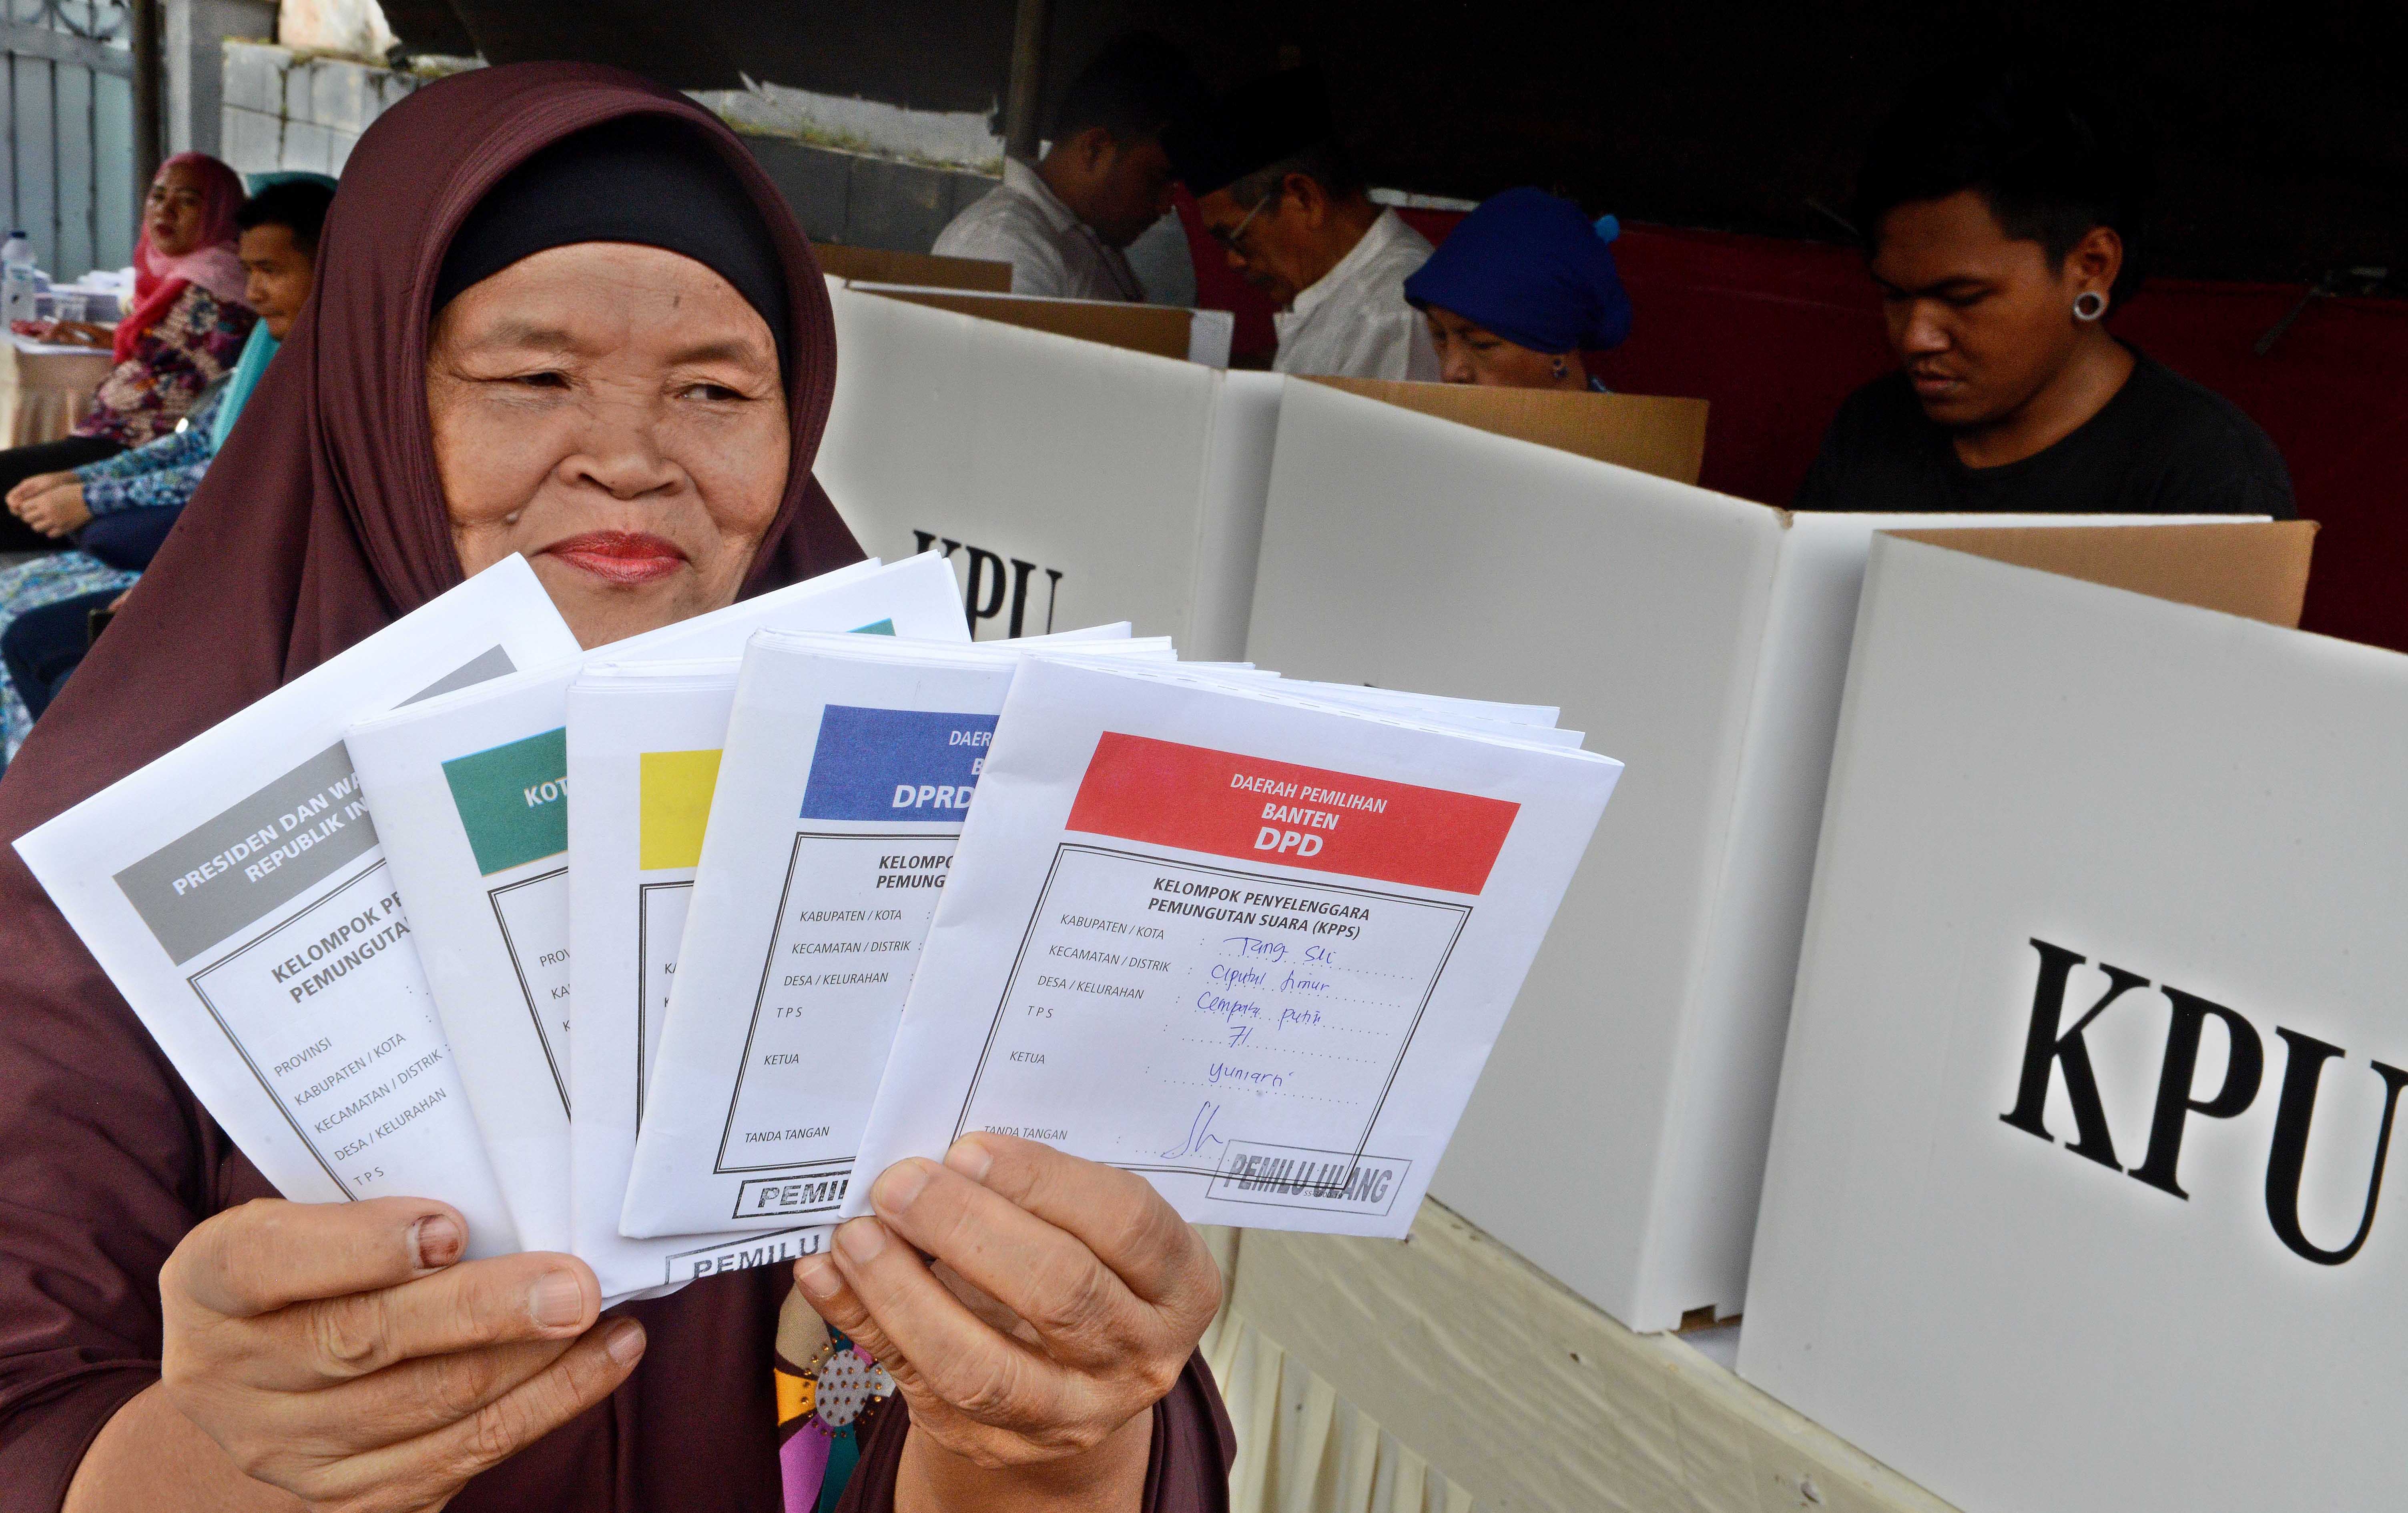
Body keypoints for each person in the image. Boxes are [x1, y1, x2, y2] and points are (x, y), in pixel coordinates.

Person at [0, 64, 1230, 1513]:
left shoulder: (938, 805)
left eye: (714, 387)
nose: (633, 462)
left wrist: (1056, 1425)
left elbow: (1019, 1410)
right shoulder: (107, 845)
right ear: (375, 402)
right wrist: (221, 1454)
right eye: (532, 378)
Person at [1794, 66, 2292, 516]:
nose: (1915, 339)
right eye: (1895, 296)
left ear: (2091, 266)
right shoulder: (1870, 428)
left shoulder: (2206, 478)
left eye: (1964, 297)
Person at [0, 177, 334, 753]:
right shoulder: (270, 351)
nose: (253, 291)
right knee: (23, 607)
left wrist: (93, 498)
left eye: (271, 272)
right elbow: (196, 444)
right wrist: (81, 481)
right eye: (249, 270)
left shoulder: (335, 373)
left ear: (330, 265)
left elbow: (240, 483)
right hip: (199, 531)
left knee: (41, 631)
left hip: (253, 576)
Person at [0, 153, 255, 552]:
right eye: (157, 197)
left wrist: (87, 485)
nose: (164, 210)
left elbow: (183, 383)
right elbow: (168, 349)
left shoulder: (216, 286)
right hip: (119, 436)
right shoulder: (193, 272)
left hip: (141, 445)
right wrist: (99, 338)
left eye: (187, 201)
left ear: (221, 212)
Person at [1166, 68, 1439, 380]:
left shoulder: (1395, 314)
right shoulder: (1340, 287)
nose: (1234, 261)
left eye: (1235, 238)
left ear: (1305, 198)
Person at [932, 34, 1202, 301]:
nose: (1166, 206)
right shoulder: (1003, 246)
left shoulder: (1086, 237)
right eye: (1156, 178)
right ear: (1095, 150)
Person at [1403, 188, 1633, 389]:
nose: (1450, 372)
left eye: (1481, 344)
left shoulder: (1626, 439)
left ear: (1557, 351)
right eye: (1440, 336)